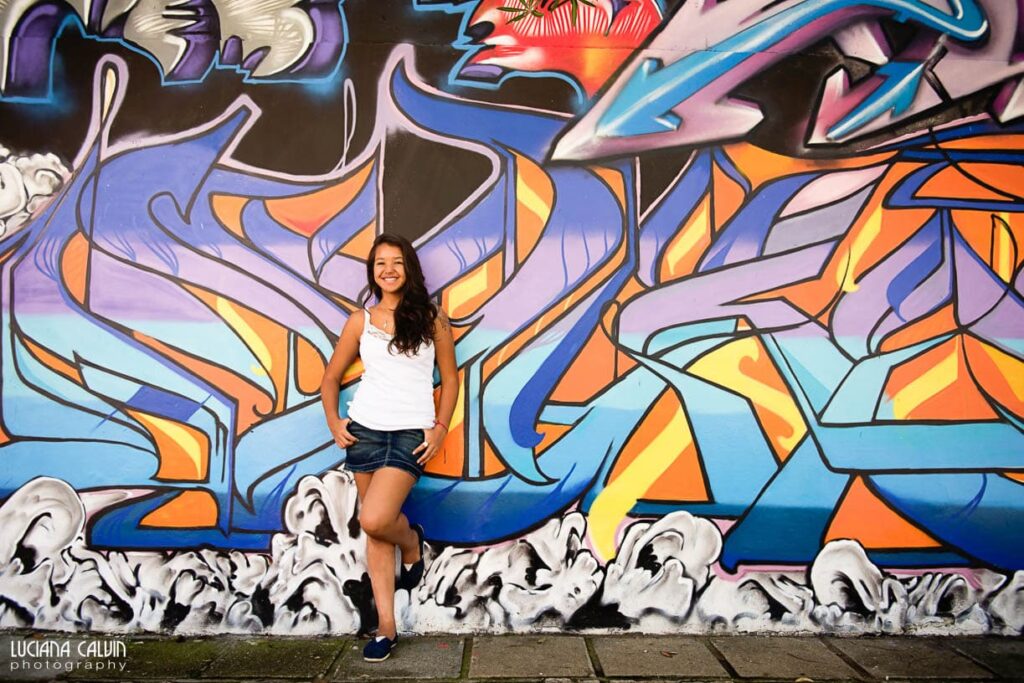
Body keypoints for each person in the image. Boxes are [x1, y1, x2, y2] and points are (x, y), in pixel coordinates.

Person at [320, 233, 459, 662]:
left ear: (409, 268)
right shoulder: (359, 321)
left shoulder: (432, 318)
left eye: (396, 262)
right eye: (380, 263)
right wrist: (334, 421)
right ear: (372, 271)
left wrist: (438, 429)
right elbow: (330, 379)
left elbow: (451, 379)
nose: (388, 270)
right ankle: (386, 628)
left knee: (377, 518)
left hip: (408, 435)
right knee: (375, 533)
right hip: (365, 431)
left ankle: (413, 542)